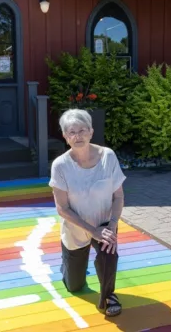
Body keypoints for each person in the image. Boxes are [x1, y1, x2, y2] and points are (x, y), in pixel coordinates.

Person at [48, 108, 127, 317]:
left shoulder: (107, 156)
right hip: (76, 227)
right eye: (71, 132)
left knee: (109, 253)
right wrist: (91, 230)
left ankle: (108, 296)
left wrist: (111, 227)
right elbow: (62, 208)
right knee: (74, 285)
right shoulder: (60, 166)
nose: (78, 136)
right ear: (65, 137)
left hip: (103, 223)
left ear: (91, 132)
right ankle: (68, 268)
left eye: (82, 130)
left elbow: (118, 197)